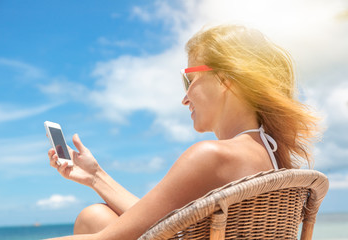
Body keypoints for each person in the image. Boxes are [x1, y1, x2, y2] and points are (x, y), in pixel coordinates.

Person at [46, 24, 319, 240]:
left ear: (225, 80)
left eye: (189, 79)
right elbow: (161, 221)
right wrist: (96, 177)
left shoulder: (212, 157)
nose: (185, 97)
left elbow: (109, 238)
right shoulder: (271, 157)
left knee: (95, 222)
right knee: (96, 216)